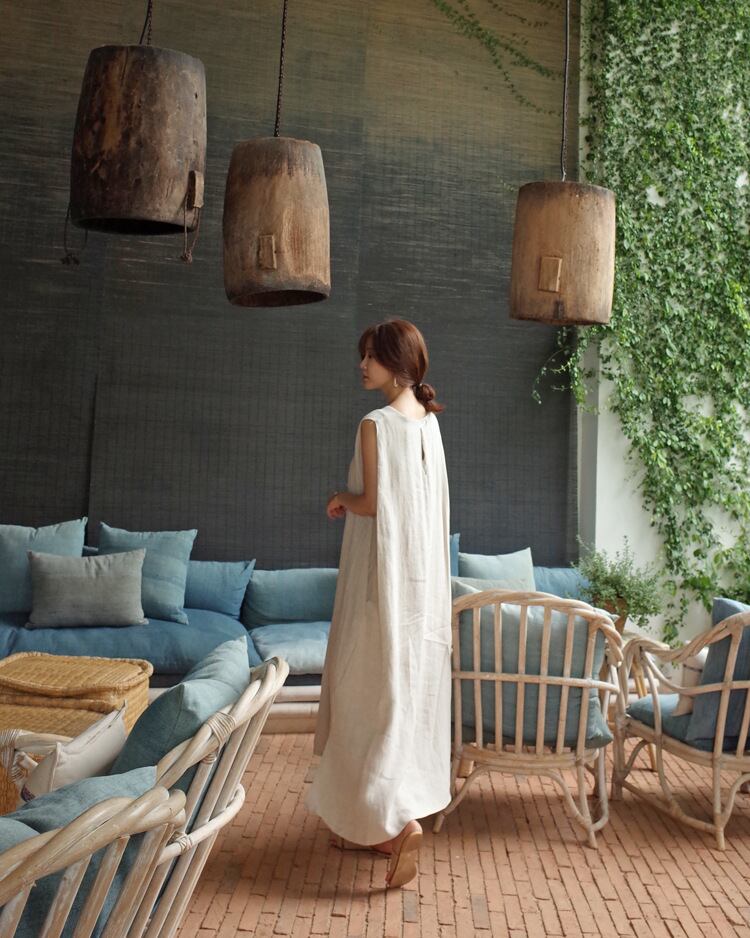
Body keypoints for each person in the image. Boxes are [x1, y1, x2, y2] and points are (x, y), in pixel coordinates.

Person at [306, 318, 452, 889]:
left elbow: (375, 503)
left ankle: (393, 828)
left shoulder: (375, 423)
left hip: (377, 586)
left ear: (398, 363)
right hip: (419, 594)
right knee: (399, 703)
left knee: (360, 698)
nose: (362, 365)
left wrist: (341, 497)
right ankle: (364, 824)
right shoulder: (428, 425)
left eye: (371, 356)